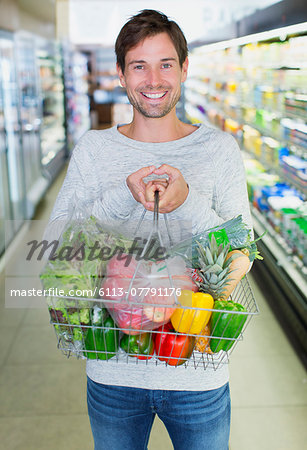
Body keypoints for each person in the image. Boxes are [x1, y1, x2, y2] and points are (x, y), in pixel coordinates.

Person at [47, 9, 252, 450]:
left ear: (183, 69)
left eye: (166, 64)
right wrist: (124, 195)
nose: (153, 79)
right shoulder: (94, 149)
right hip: (112, 371)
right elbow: (58, 242)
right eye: (139, 65)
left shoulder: (219, 150)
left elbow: (243, 250)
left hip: (198, 373)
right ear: (120, 75)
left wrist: (188, 203)